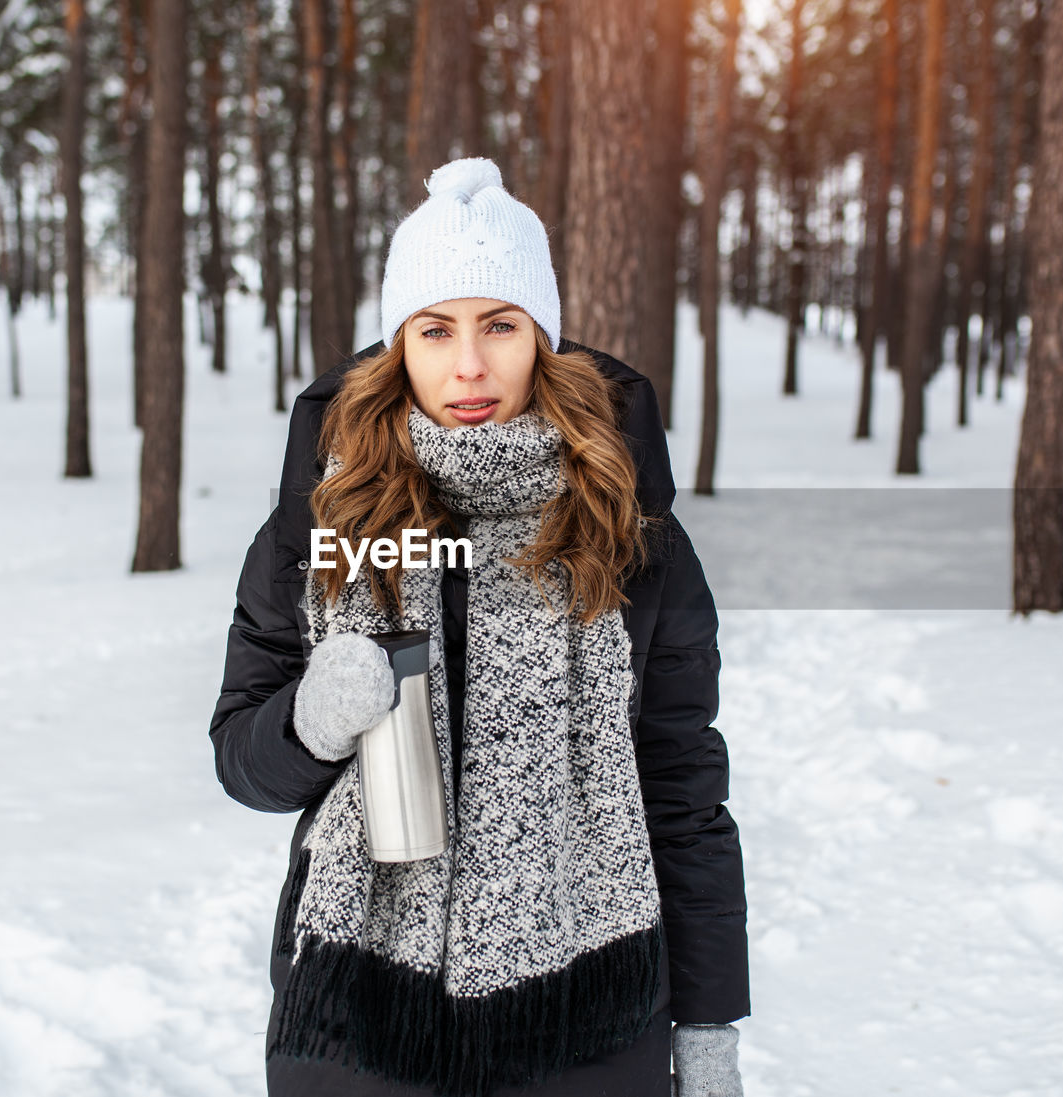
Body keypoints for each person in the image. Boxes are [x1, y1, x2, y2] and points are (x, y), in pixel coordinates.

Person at [209, 157, 749, 1097]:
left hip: (589, 1009)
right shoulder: (319, 526)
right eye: (435, 329)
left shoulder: (633, 536)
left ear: (541, 335)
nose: (468, 364)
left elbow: (681, 789)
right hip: (357, 1011)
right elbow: (240, 760)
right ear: (397, 346)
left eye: (499, 325)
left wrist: (707, 1024)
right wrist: (308, 721)